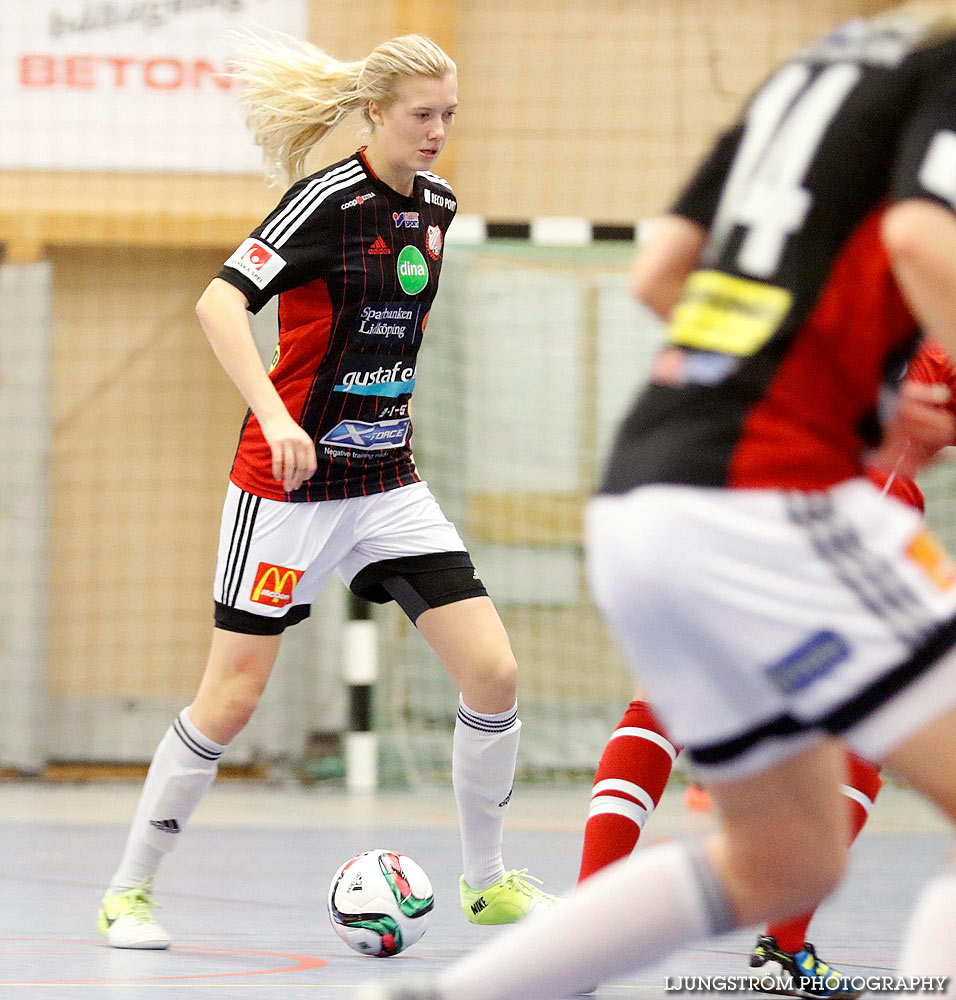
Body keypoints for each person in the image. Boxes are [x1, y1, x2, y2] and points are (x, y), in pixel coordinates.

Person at [365, 7, 956, 999]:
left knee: (783, 854)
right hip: (773, 497)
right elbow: (913, 234)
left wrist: (855, 385)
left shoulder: (807, 78)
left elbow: (656, 276)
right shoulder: (937, 77)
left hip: (644, 496)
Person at [96, 31, 554, 950]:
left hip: (387, 481)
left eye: (449, 117)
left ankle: (488, 883)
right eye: (422, 116)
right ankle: (128, 892)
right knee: (229, 700)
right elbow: (219, 302)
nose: (436, 133)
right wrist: (274, 416)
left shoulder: (438, 205)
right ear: (377, 112)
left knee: (494, 672)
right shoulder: (324, 202)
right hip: (288, 491)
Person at [575, 341, 956, 999]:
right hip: (799, 527)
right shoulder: (892, 304)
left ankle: (604, 930)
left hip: (742, 512)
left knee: (681, 707)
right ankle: (602, 925)